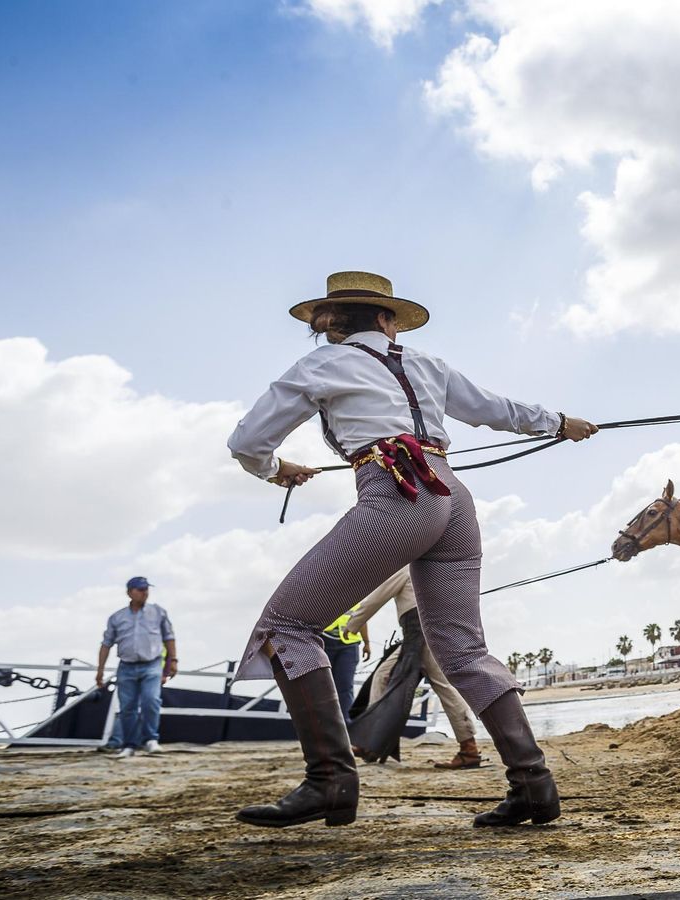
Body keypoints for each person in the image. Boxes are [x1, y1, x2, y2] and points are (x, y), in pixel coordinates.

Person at [226, 271, 597, 829]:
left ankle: (330, 781)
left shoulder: (322, 364)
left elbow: (247, 442)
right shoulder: (428, 364)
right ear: (385, 319)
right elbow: (495, 409)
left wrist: (275, 468)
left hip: (397, 494)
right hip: (453, 497)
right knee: (464, 651)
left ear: (336, 323)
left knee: (286, 627)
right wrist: (561, 423)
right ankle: (533, 785)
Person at [347, 569, 483, 769]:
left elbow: (375, 599)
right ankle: (372, 741)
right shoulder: (430, 570)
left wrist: (352, 624)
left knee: (443, 687)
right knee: (383, 675)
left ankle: (469, 749)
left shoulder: (404, 568)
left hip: (421, 634)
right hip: (422, 633)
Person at [95, 576, 177, 758]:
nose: (144, 592)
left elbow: (169, 637)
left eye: (146, 589)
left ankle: (151, 739)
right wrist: (100, 670)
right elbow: (106, 644)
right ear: (129, 592)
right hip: (127, 666)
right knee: (127, 707)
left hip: (152, 664)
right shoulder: (117, 617)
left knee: (151, 700)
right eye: (140, 589)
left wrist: (173, 661)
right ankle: (129, 744)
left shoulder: (158, 612)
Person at [322, 607, 369, 725]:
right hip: (324, 642)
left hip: (349, 645)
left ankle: (346, 724)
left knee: (345, 686)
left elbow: (362, 619)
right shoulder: (321, 597)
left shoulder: (359, 599)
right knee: (323, 686)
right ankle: (323, 724)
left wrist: (367, 643)